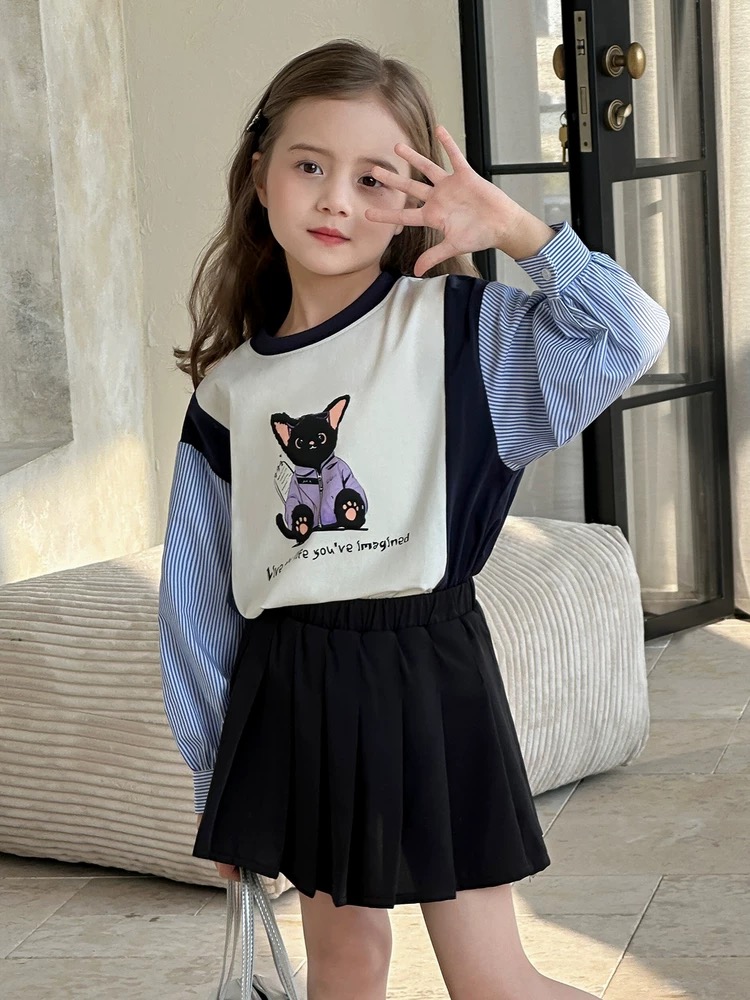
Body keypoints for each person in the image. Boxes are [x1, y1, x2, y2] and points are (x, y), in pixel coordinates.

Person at [157, 36, 669, 1000]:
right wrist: (213, 776)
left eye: (373, 179)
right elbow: (194, 605)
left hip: (432, 673)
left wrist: (517, 229)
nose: (336, 201)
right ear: (260, 177)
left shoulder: (464, 331)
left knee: (492, 980)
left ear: (414, 199)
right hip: (294, 690)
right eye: (310, 166)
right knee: (345, 967)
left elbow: (630, 334)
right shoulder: (230, 391)